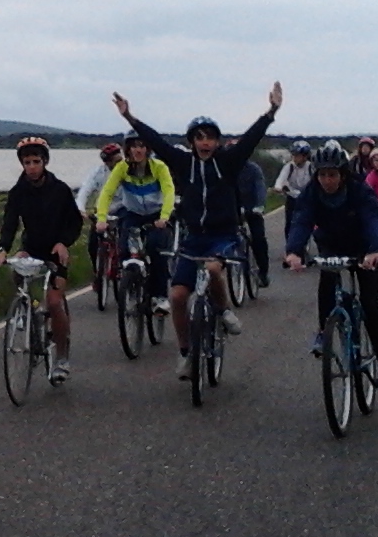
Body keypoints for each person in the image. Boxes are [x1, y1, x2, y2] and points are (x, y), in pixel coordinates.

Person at [113, 83, 283, 381]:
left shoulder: (227, 163)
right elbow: (159, 142)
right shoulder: (183, 163)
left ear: (217, 141)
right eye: (199, 138)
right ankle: (185, 353)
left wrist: (271, 112)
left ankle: (224, 309)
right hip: (194, 237)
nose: (205, 143)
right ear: (192, 141)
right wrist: (130, 117)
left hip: (223, 235)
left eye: (210, 138)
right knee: (178, 296)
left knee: (215, 270)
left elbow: (250, 140)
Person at [283, 142, 378, 393]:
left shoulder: (359, 191)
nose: (327, 180)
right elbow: (301, 221)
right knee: (328, 282)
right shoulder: (312, 193)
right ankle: (324, 330)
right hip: (332, 245)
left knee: (369, 304)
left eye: (332, 174)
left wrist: (377, 249)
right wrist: (294, 251)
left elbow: (373, 220)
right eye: (322, 174)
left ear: (343, 174)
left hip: (364, 248)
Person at [0, 136, 83, 383]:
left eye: (36, 161)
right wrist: (1, 249)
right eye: (27, 162)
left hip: (55, 250)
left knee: (54, 302)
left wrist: (64, 242)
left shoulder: (60, 189)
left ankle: (61, 358)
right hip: (32, 247)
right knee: (16, 265)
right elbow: (9, 223)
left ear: (45, 162)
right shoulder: (18, 192)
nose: (31, 167)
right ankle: (24, 309)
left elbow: (75, 222)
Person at [94, 131, 176, 309]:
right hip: (133, 213)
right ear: (127, 149)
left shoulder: (159, 167)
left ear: (148, 149)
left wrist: (164, 217)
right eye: (134, 146)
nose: (138, 150)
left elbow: (169, 192)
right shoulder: (122, 168)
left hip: (157, 214)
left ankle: (159, 296)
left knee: (156, 249)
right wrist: (101, 219)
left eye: (142, 146)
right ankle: (132, 285)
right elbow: (106, 193)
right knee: (123, 249)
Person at [76, 142, 121, 282]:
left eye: (120, 159)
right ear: (107, 162)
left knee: (127, 242)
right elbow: (85, 190)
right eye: (115, 161)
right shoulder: (98, 173)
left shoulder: (128, 170)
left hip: (123, 210)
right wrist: (80, 209)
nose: (119, 163)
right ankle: (98, 274)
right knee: (93, 245)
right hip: (102, 212)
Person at [230, 137, 272, 287]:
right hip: (232, 209)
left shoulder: (253, 169)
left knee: (258, 238)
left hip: (252, 208)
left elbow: (260, 188)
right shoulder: (225, 170)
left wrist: (259, 206)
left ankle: (263, 271)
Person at [275, 139, 315, 209]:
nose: (294, 157)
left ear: (305, 156)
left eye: (297, 155)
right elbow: (281, 179)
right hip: (292, 199)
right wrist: (278, 187)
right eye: (294, 154)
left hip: (307, 199)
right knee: (290, 218)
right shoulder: (289, 166)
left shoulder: (311, 167)